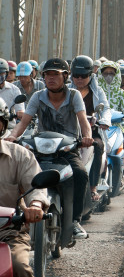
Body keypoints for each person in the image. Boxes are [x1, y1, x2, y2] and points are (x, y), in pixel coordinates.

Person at [5, 58, 93, 239]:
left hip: (67, 149)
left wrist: (87, 137)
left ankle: (75, 220)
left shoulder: (74, 95)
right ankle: (15, 216)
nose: (51, 78)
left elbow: (83, 121)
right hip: (41, 148)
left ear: (65, 76)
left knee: (81, 174)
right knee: (21, 173)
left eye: (56, 74)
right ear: (43, 77)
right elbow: (24, 122)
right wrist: (13, 136)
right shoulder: (37, 97)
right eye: (47, 75)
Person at [0, 100, 47, 277]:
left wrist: (36, 205)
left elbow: (36, 186)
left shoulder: (18, 155)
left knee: (20, 268)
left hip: (8, 232)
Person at [70, 56, 111, 202]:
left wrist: (104, 120)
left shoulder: (97, 91)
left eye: (84, 76)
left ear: (91, 75)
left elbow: (105, 108)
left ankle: (93, 187)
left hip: (92, 132)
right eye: (76, 76)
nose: (79, 79)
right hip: (70, 132)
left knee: (98, 146)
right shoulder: (66, 91)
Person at [0, 58, 25, 128]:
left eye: (1, 73)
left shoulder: (14, 89)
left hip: (9, 127)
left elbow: (20, 109)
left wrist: (20, 112)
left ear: (6, 74)